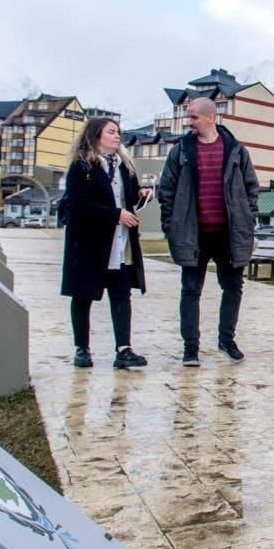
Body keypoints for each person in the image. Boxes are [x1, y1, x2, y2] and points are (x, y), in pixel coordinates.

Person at [158, 97, 259, 367]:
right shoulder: (180, 151)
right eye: (188, 117)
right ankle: (190, 348)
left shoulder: (235, 150)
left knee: (233, 288)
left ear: (210, 117)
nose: (188, 122)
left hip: (227, 234)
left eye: (193, 117)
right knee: (190, 290)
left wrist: (247, 218)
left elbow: (252, 188)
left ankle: (227, 340)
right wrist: (171, 224)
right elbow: (166, 190)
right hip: (194, 234)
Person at [61, 118, 154, 369]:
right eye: (111, 132)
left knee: (122, 294)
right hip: (89, 242)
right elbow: (78, 205)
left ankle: (124, 349)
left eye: (119, 132)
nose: (117, 137)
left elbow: (128, 197)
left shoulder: (125, 166)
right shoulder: (82, 166)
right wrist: (115, 215)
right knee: (83, 295)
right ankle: (82, 348)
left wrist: (141, 194)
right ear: (96, 135)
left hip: (120, 241)